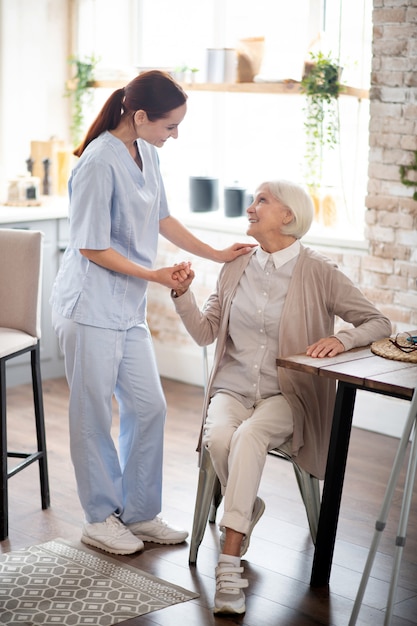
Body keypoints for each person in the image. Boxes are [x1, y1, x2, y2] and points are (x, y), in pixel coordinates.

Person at [50, 70, 254, 556]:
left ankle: (139, 513)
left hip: (126, 308)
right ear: (139, 116)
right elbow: (92, 248)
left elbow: (162, 219)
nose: (174, 135)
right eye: (169, 126)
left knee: (149, 407)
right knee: (92, 413)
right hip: (90, 305)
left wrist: (216, 254)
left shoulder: (149, 154)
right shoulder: (98, 163)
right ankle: (100, 517)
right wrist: (156, 276)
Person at [170, 179, 392, 615]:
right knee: (218, 439)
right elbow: (205, 332)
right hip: (232, 389)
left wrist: (342, 340)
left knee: (250, 437)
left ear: (287, 215)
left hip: (285, 395)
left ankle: (229, 565)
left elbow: (377, 322)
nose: (250, 208)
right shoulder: (235, 267)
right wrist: (182, 294)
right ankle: (246, 506)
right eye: (253, 201)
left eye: (261, 201)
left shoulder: (319, 270)